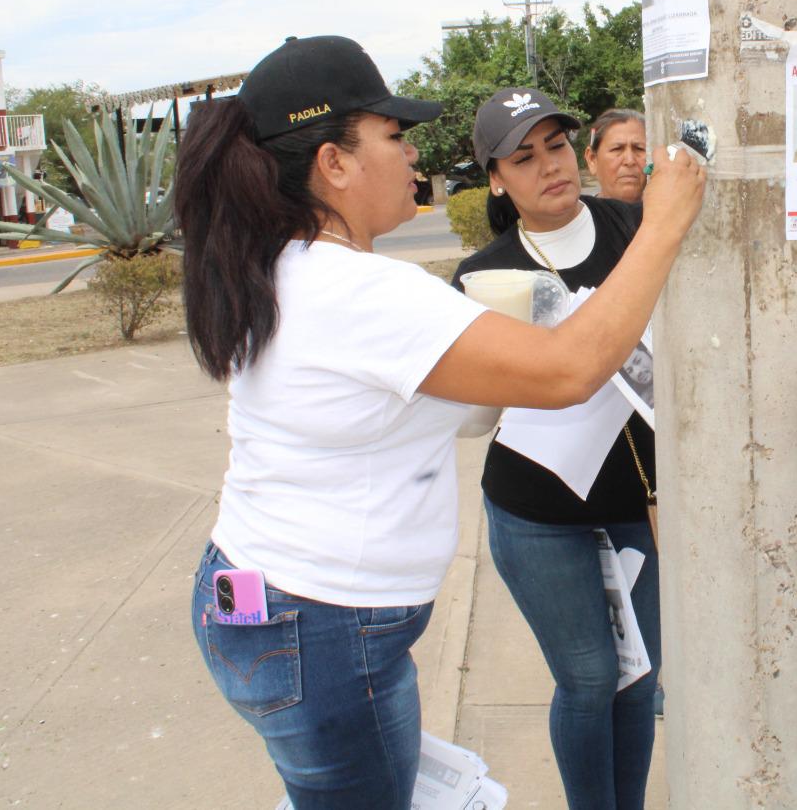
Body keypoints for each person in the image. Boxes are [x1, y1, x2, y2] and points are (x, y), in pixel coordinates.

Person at [174, 39, 704, 810]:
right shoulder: (359, 291)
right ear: (335, 163)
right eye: (393, 135)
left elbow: (452, 410)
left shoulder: (282, 265)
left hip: (265, 602)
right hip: (319, 631)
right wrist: (663, 224)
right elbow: (568, 371)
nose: (414, 150)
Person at [451, 88, 662, 810]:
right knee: (589, 678)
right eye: (524, 156)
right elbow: (473, 420)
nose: (549, 165)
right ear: (496, 179)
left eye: (558, 146)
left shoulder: (637, 228)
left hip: (642, 504)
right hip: (538, 513)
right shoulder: (485, 275)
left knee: (639, 678)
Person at [584, 108, 648, 203]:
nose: (629, 161)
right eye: (617, 149)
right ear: (592, 159)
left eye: (639, 149)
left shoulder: (670, 215)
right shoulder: (580, 216)